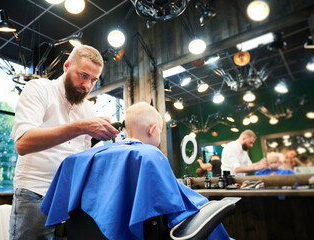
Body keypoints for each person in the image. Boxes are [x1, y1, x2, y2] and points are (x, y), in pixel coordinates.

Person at [41, 102, 231, 240]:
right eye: (159, 132)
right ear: (152, 129)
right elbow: (177, 207)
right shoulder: (148, 155)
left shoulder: (84, 158)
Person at [9, 44, 119, 240]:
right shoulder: (39, 89)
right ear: (67, 66)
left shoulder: (87, 109)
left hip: (71, 197)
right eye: (83, 75)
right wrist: (80, 127)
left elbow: (92, 155)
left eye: (93, 80)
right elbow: (23, 143)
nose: (87, 85)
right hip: (35, 191)